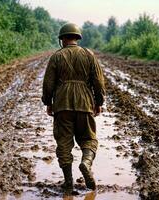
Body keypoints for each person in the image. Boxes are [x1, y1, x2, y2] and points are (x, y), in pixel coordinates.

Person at [42, 23, 105, 193]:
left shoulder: (56, 57)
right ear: (77, 38)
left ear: (62, 39)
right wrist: (99, 102)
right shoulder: (88, 55)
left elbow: (48, 83)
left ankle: (68, 182)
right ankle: (86, 163)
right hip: (85, 102)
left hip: (62, 104)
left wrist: (48, 102)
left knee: (64, 142)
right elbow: (98, 82)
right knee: (88, 138)